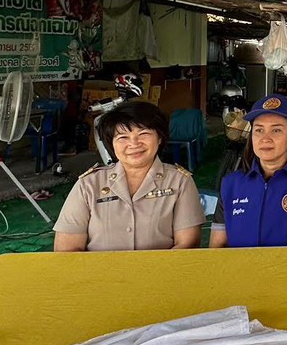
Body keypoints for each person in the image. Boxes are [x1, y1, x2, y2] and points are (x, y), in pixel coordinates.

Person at [53, 100, 205, 252]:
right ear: (111, 144)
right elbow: (67, 249)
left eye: (143, 134)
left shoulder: (179, 182)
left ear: (159, 138)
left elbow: (187, 245)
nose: (134, 144)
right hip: (101, 268)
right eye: (123, 137)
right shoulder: (89, 184)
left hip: (161, 267)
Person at [210, 95, 287, 247]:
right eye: (259, 130)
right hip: (238, 263)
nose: (265, 138)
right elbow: (216, 248)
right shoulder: (231, 184)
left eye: (276, 130)